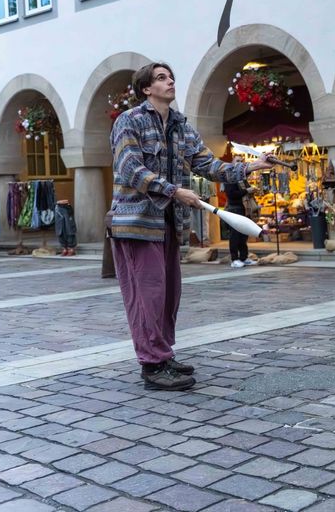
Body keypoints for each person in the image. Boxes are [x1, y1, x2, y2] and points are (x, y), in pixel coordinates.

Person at [110, 62, 273, 390]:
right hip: (137, 222)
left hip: (168, 222)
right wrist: (173, 190)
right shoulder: (130, 121)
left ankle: (162, 353)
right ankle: (152, 365)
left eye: (171, 76)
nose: (170, 81)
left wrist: (253, 165)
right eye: (161, 78)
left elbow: (209, 165)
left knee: (169, 295)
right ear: (146, 88)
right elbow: (129, 168)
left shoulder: (181, 126)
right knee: (149, 295)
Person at [222, 156, 257, 268]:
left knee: (243, 234)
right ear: (232, 162)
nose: (239, 163)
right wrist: (247, 190)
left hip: (243, 209)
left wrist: (250, 190)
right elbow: (232, 194)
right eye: (237, 161)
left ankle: (243, 257)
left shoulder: (241, 178)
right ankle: (234, 259)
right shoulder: (230, 177)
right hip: (234, 209)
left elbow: (245, 189)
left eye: (241, 161)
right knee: (235, 235)